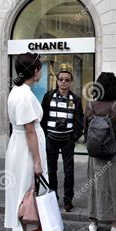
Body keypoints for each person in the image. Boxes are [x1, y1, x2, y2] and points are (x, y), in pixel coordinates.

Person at [5, 52, 47, 231]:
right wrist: (37, 162)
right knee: (23, 199)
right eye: (40, 67)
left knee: (22, 199)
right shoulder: (24, 95)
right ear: (35, 70)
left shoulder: (19, 91)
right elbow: (30, 130)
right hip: (24, 152)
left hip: (20, 148)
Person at [84, 72, 116, 231]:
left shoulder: (90, 105)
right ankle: (115, 224)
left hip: (94, 153)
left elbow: (86, 128)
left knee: (94, 186)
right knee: (113, 187)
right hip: (113, 152)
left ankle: (93, 222)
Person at [41, 66, 83, 212]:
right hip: (51, 139)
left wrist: (73, 137)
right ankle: (53, 197)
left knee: (68, 171)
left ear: (71, 82)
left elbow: (79, 122)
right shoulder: (48, 97)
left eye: (67, 80)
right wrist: (45, 135)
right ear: (57, 81)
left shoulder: (75, 100)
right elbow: (43, 118)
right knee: (51, 170)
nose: (63, 82)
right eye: (61, 79)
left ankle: (68, 199)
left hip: (67, 140)